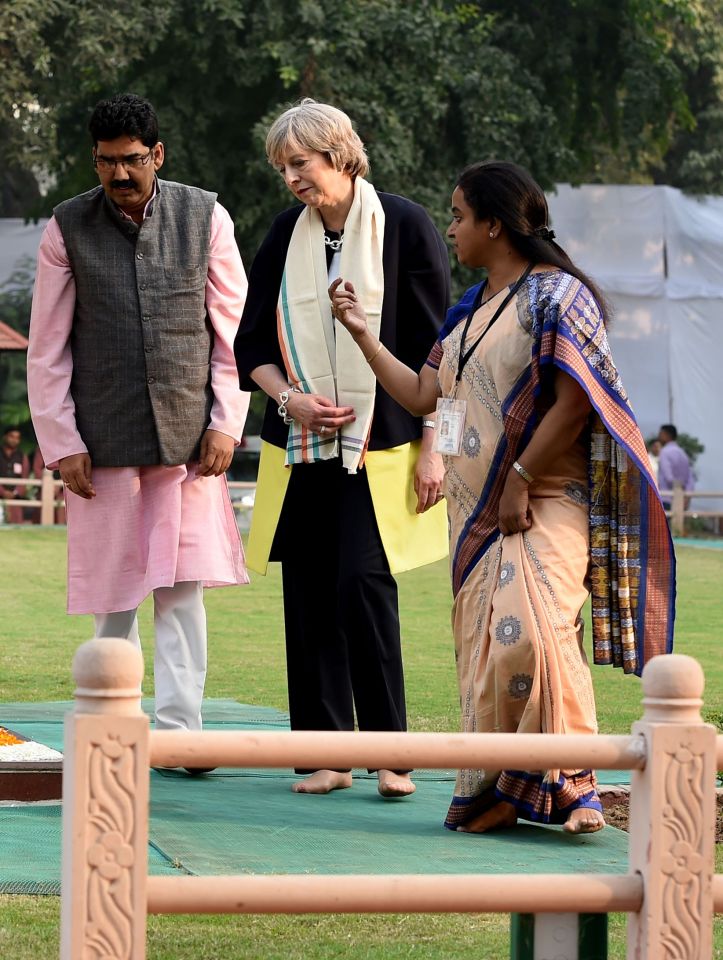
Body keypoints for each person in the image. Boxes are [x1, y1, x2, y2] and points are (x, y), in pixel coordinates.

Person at [332, 160, 675, 833]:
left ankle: (571, 787)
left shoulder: (557, 296)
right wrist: (362, 336)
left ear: (494, 222)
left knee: (534, 630)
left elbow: (577, 399)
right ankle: (497, 793)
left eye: (458, 215)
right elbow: (422, 395)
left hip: (546, 491)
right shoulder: (469, 307)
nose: (450, 228)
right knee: (492, 643)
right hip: (476, 514)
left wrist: (519, 479)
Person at [234, 99, 450, 798]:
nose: (291, 178)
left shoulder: (407, 225)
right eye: (282, 168)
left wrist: (434, 449)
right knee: (309, 594)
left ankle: (390, 754)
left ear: (339, 154)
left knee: (362, 584)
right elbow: (251, 350)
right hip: (300, 446)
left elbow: (438, 354)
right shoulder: (281, 234)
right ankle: (324, 757)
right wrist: (289, 399)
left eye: (301, 163)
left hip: (379, 445)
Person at [27, 93, 250, 748]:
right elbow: (48, 347)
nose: (119, 176)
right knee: (114, 593)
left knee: (182, 595)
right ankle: (105, 729)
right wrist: (62, 440)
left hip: (189, 437)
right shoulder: (64, 227)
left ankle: (183, 737)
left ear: (157, 154)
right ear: (92, 160)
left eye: (131, 161)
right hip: (104, 441)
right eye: (105, 163)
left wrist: (226, 422)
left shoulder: (206, 216)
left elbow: (234, 332)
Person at [657, 424, 694, 504]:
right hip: (681, 499)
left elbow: (668, 477)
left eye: (661, 434)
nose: (659, 437)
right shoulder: (683, 453)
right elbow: (690, 479)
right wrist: (686, 498)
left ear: (667, 435)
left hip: (666, 498)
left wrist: (677, 488)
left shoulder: (665, 452)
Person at [0, 426, 30, 523]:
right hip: (1, 495)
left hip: (15, 498)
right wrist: (3, 492)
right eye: (12, 436)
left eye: (17, 438)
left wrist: (15, 493)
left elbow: (24, 478)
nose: (14, 440)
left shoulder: (22, 456)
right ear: (5, 437)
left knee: (16, 523)